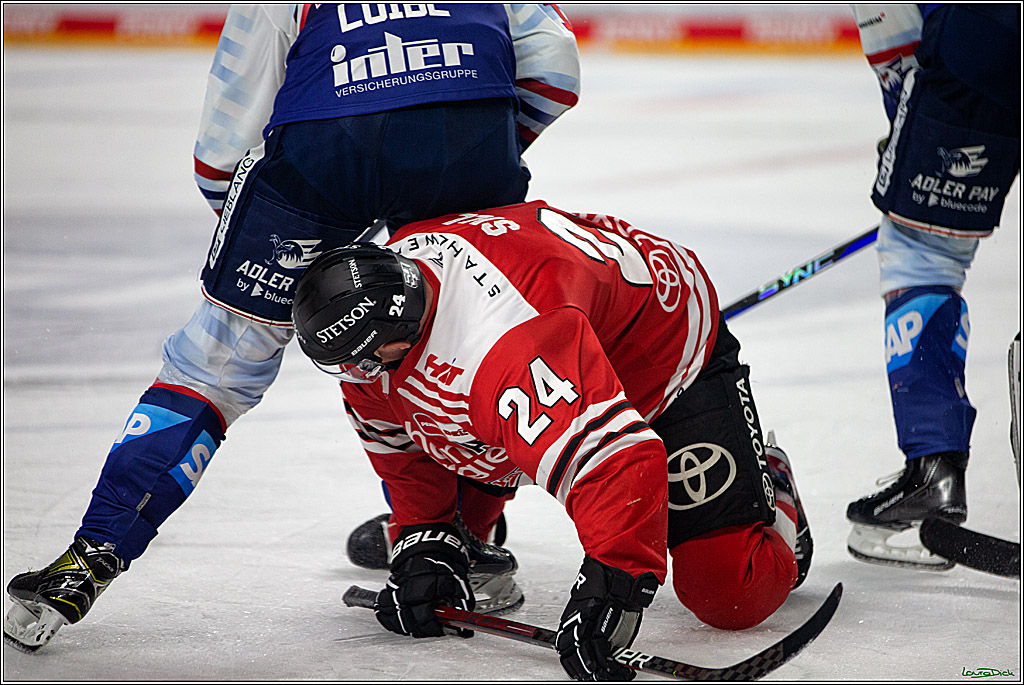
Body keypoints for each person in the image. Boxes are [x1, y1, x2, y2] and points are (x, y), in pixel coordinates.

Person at [3, 3, 580, 653]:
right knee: (475, 337)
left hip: (326, 146)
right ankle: (464, 541)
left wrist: (278, 227)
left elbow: (223, 148)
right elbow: (556, 67)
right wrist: (471, 150)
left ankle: (87, 561)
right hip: (467, 139)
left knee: (212, 368)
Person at [289, 200, 814, 681]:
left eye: (361, 358)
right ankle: (467, 524)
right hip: (569, 314)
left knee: (730, 593)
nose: (355, 375)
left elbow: (620, 464)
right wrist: (424, 531)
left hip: (662, 353)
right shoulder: (393, 291)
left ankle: (770, 482)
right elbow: (399, 437)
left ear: (396, 334)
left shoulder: (503, 347)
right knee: (450, 452)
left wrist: (616, 587)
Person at [845, 5, 1020, 569]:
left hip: (986, 39)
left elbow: (892, 33)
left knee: (922, 252)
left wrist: (909, 130)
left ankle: (934, 471)